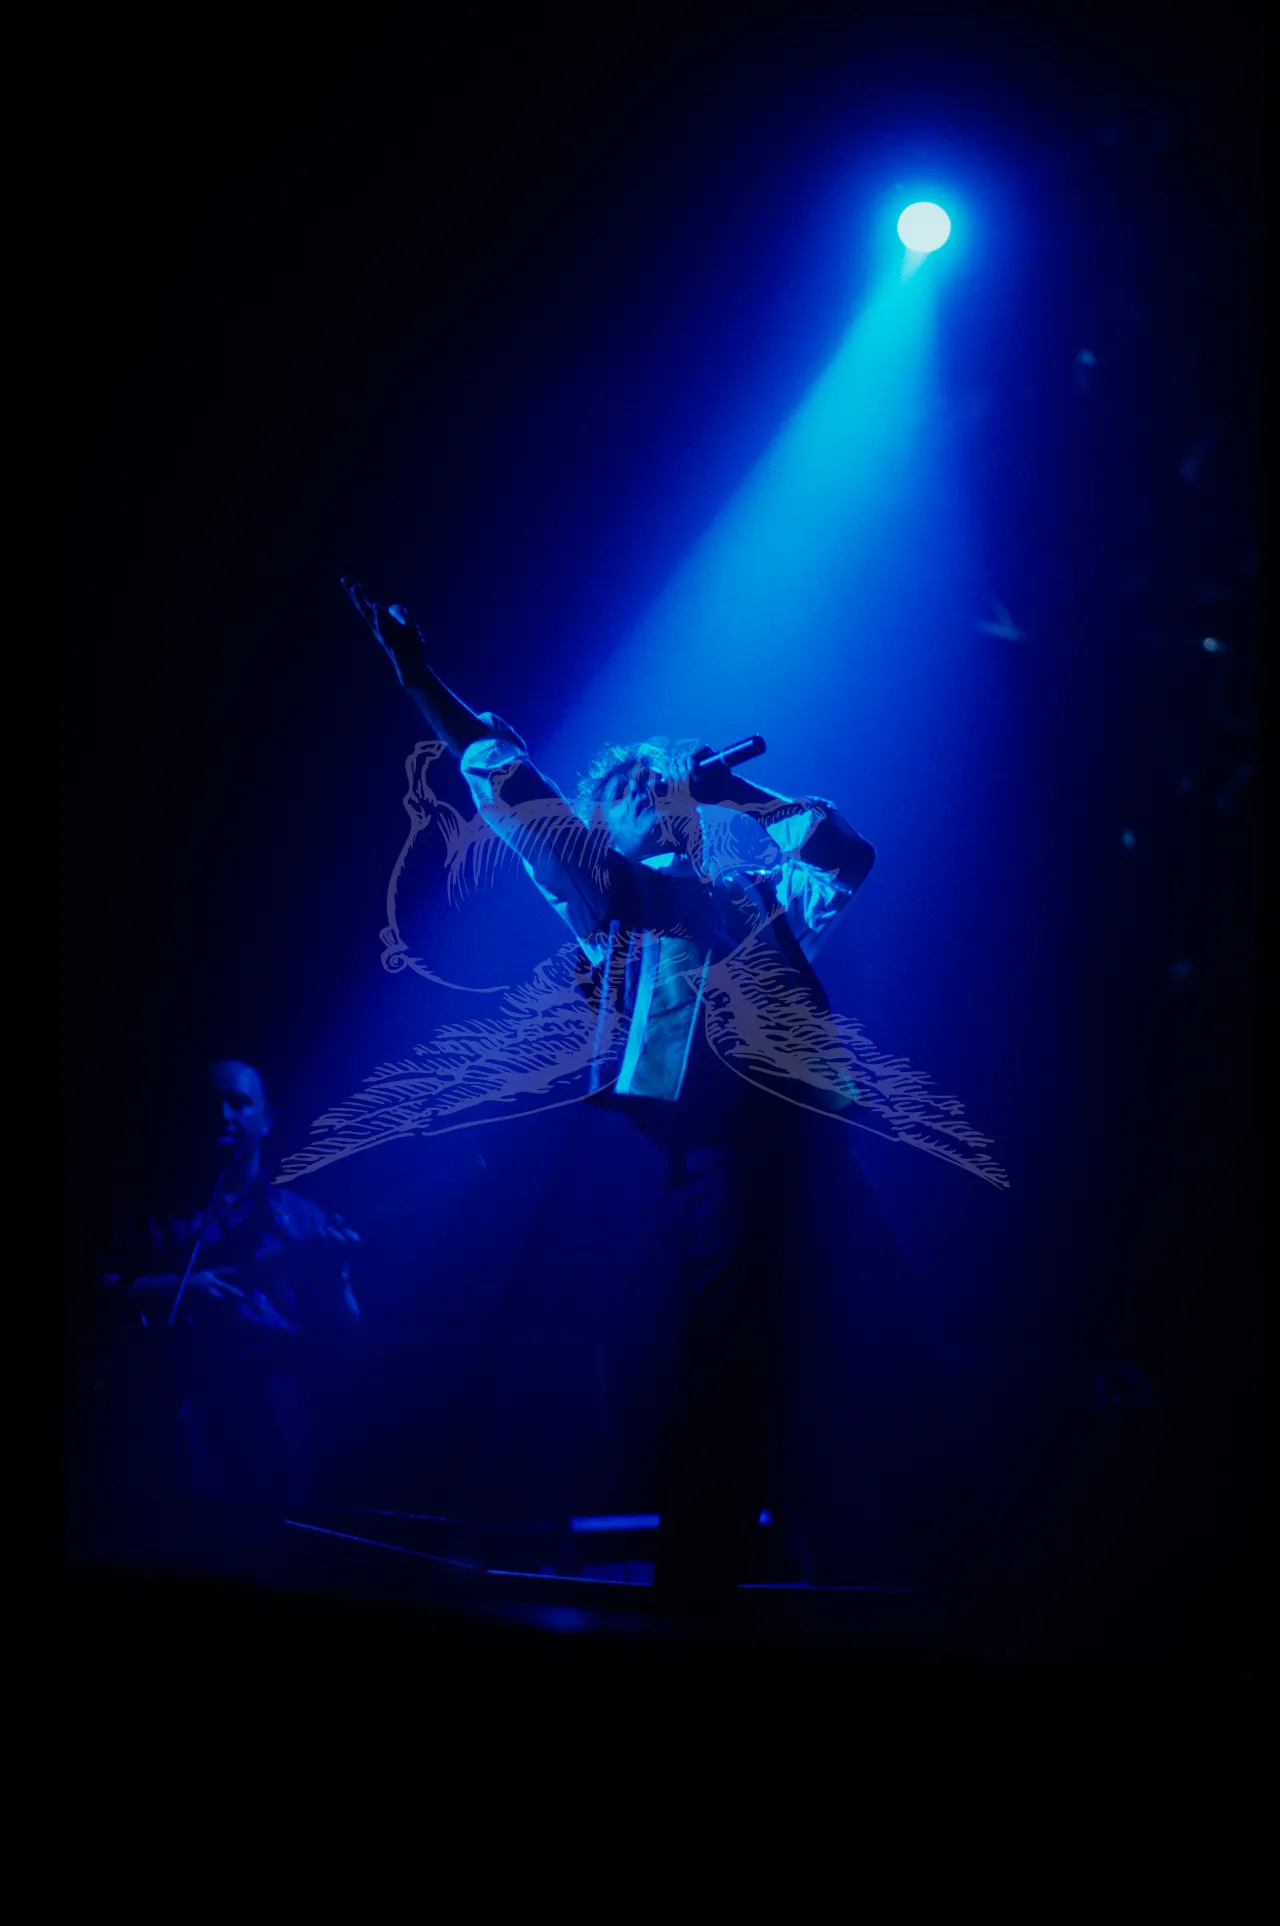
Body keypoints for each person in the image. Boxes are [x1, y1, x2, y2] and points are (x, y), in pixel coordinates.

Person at [348, 581, 971, 1608]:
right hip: (726, 1169)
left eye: (665, 784)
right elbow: (512, 783)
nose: (660, 793)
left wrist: (740, 796)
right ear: (607, 824)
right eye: (637, 789)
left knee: (898, 1369)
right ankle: (692, 1609)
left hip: (822, 1161)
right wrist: (422, 679)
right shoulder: (611, 897)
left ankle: (971, 1605)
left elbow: (844, 853)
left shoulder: (753, 895)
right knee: (727, 1393)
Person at [94, 1059, 361, 1526]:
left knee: (274, 1539)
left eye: (239, 1102)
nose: (223, 1114)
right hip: (178, 1394)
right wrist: (181, 1288)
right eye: (211, 1103)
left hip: (273, 1398)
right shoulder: (155, 1213)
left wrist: (337, 1278)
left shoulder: (302, 1216)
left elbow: (347, 1331)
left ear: (267, 1120)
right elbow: (95, 1289)